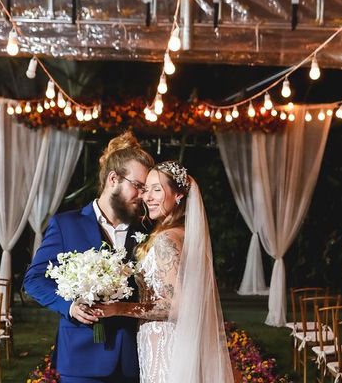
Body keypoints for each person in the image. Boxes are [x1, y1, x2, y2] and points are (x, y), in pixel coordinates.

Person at [24, 131, 154, 383]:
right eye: (138, 186)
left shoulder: (147, 231)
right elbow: (34, 279)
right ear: (113, 179)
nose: (143, 196)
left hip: (133, 358)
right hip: (80, 358)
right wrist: (68, 306)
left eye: (146, 189)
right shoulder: (66, 224)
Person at [93, 161, 234, 383]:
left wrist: (119, 307)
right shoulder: (184, 233)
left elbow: (173, 306)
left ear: (178, 195)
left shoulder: (166, 239)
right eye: (146, 189)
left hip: (166, 343)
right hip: (179, 340)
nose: (147, 197)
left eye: (157, 190)